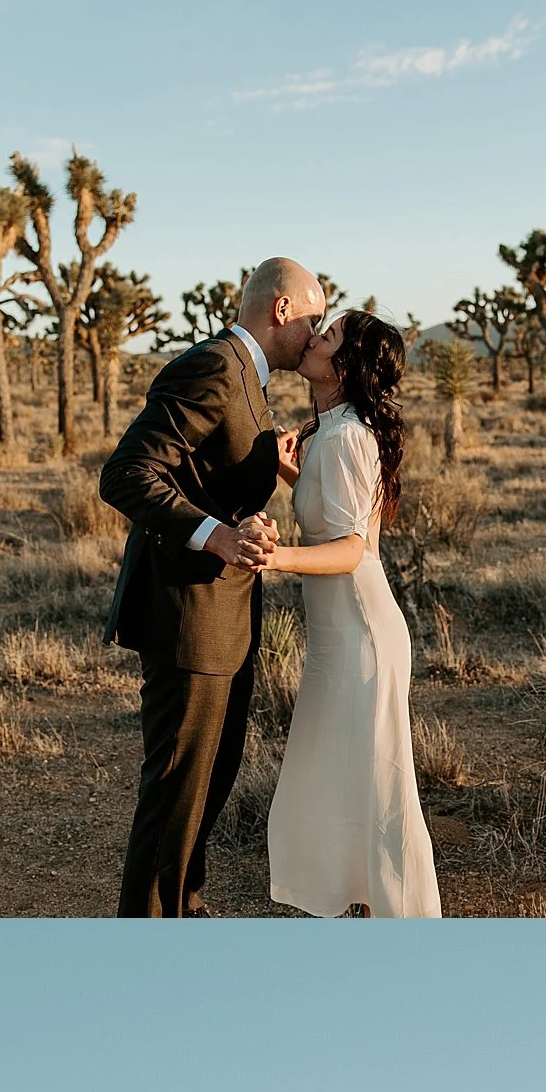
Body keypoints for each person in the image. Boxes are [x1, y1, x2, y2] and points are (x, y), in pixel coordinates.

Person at [99, 260, 320, 924]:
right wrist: (216, 537)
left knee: (206, 788)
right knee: (174, 799)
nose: (317, 334)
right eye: (313, 318)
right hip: (186, 614)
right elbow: (127, 473)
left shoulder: (249, 377)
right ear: (281, 310)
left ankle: (186, 913)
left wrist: (267, 473)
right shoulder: (218, 365)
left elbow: (205, 474)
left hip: (224, 617)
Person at [264, 312, 442, 923]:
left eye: (329, 336)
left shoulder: (341, 436)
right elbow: (343, 514)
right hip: (349, 633)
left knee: (377, 789)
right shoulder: (338, 429)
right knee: (352, 781)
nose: (314, 338)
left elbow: (351, 549)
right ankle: (367, 908)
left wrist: (274, 557)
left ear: (348, 366)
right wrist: (292, 473)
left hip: (358, 635)